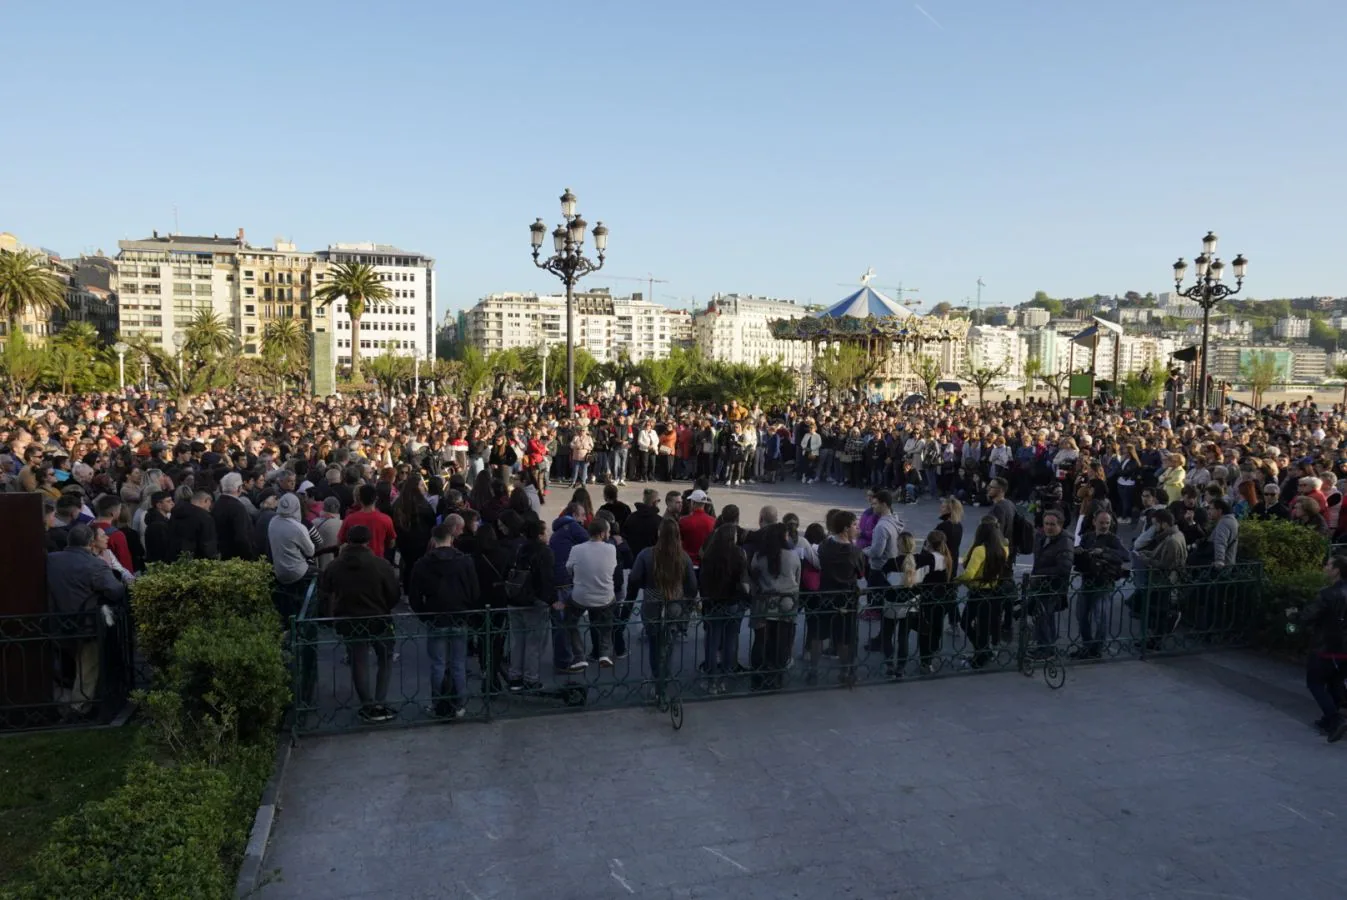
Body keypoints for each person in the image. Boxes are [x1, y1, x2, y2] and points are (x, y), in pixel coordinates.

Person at [318, 524, 401, 724]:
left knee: (359, 660)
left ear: (347, 540)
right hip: (378, 618)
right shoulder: (380, 565)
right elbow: (394, 593)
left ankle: (367, 703)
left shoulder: (335, 565)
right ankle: (379, 701)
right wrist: (384, 607)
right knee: (385, 657)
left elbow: (325, 591)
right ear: (368, 541)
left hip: (348, 619)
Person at [47, 524, 127, 717]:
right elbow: (115, 590)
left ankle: (65, 701)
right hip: (86, 623)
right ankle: (79, 707)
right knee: (88, 665)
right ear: (91, 542)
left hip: (55, 621)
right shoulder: (94, 564)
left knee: (67, 664)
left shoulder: (51, 560)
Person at [409, 520, 481, 718]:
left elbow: (414, 595)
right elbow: (474, 592)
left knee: (438, 664)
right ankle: (459, 704)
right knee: (458, 664)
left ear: (433, 539)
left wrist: (424, 615)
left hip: (436, 617)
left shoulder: (423, 563)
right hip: (459, 617)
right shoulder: (465, 561)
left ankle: (438, 704)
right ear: (451, 538)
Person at [626, 516, 699, 682]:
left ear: (659, 533)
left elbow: (634, 578)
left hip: (652, 603)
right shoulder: (684, 557)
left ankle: (656, 678)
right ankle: (665, 675)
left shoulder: (646, 554)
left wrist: (646, 585)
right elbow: (692, 586)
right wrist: (687, 603)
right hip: (674, 604)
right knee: (669, 642)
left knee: (654, 644)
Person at [1290, 556, 1347, 742]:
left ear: (1337, 570)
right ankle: (1328, 720)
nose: (1325, 567)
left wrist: (1294, 615)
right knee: (1336, 683)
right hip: (1344, 649)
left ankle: (1335, 718)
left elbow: (1308, 616)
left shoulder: (1327, 594)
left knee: (1315, 683)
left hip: (1326, 646)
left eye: (1329, 565)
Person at [813, 510, 866, 685]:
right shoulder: (855, 552)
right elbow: (860, 574)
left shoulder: (825, 545)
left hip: (825, 595)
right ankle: (845, 672)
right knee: (844, 639)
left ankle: (813, 671)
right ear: (845, 528)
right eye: (854, 525)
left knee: (819, 635)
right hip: (846, 600)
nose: (857, 528)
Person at [505, 517, 555, 693]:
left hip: (514, 600)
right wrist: (552, 600)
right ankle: (530, 678)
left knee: (517, 641)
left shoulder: (518, 549)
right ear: (540, 534)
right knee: (534, 643)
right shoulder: (544, 552)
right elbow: (547, 579)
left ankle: (514, 677)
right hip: (534, 602)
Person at [747, 521, 799, 690]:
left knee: (761, 640)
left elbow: (753, 574)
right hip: (786, 602)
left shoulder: (760, 556)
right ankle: (776, 676)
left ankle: (758, 675)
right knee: (781, 641)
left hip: (764, 601)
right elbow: (797, 577)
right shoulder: (792, 555)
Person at [699, 523, 748, 693]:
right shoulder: (739, 554)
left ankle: (711, 680)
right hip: (732, 603)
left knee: (712, 643)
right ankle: (725, 679)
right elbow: (742, 581)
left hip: (714, 604)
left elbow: (703, 581)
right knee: (730, 642)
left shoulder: (710, 555)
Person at [1073, 509, 1128, 659]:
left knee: (1100, 617)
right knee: (1082, 616)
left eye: (1107, 523)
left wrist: (1103, 551)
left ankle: (1096, 649)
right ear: (1094, 522)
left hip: (1104, 584)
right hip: (1087, 581)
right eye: (1102, 522)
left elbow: (1125, 555)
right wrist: (1079, 551)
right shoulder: (1087, 537)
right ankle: (1087, 645)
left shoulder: (1113, 539)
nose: (1104, 525)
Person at [565, 517, 620, 667]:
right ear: (602, 533)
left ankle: (579, 655)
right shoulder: (611, 549)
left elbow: (569, 569)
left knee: (570, 622)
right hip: (605, 597)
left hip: (581, 597)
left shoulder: (576, 549)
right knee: (607, 624)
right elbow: (613, 568)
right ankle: (605, 654)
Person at [958, 517, 1012, 669]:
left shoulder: (980, 550)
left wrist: (958, 581)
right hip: (993, 590)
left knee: (967, 622)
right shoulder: (1004, 548)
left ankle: (981, 655)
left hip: (978, 591)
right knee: (983, 626)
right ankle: (984, 651)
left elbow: (969, 573)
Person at [548, 502, 591, 673]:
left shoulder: (559, 530)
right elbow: (592, 543)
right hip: (565, 580)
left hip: (557, 580)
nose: (584, 518)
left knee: (561, 622)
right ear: (574, 515)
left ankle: (565, 658)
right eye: (582, 515)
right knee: (566, 622)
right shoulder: (573, 527)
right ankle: (566, 661)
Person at [1029, 508, 1074, 658]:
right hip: (1040, 585)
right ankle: (1044, 646)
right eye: (1046, 523)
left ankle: (1047, 649)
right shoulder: (1041, 536)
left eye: (1052, 524)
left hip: (1053, 587)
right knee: (1042, 617)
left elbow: (1064, 567)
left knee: (1045, 618)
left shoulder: (1065, 542)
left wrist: (1041, 574)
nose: (1048, 527)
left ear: (1060, 525)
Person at [269, 493, 316, 617]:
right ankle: (308, 625)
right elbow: (310, 551)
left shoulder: (273, 522)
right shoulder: (298, 528)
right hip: (299, 571)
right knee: (317, 584)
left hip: (279, 571)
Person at [392, 474, 436, 595]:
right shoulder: (423, 504)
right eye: (422, 485)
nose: (424, 488)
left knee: (408, 565)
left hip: (404, 541)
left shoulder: (399, 503)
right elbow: (432, 520)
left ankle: (407, 591)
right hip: (420, 541)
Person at [338, 484, 396, 559]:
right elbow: (391, 544)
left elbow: (339, 542)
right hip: (376, 561)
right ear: (376, 498)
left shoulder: (349, 519)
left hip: (355, 561)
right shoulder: (386, 519)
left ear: (360, 499)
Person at [214, 472, 257, 561]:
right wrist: (249, 556)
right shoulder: (237, 507)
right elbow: (242, 536)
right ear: (239, 488)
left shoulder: (217, 504)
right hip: (237, 559)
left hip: (223, 555)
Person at [167, 490, 219, 561]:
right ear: (206, 501)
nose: (210, 507)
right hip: (198, 563)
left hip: (176, 560)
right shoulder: (205, 517)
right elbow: (208, 546)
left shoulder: (175, 515)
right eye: (210, 502)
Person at [678, 489, 716, 564]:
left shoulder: (683, 521)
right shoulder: (713, 521)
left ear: (693, 503)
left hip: (687, 561)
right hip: (705, 562)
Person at [624, 488, 662, 559]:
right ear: (654, 502)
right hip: (652, 558)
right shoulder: (659, 520)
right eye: (658, 500)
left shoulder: (631, 517)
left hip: (633, 556)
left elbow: (625, 536)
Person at [142, 490, 175, 565]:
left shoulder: (164, 521)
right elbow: (162, 550)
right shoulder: (157, 526)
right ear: (159, 505)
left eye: (172, 500)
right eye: (168, 501)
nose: (172, 503)